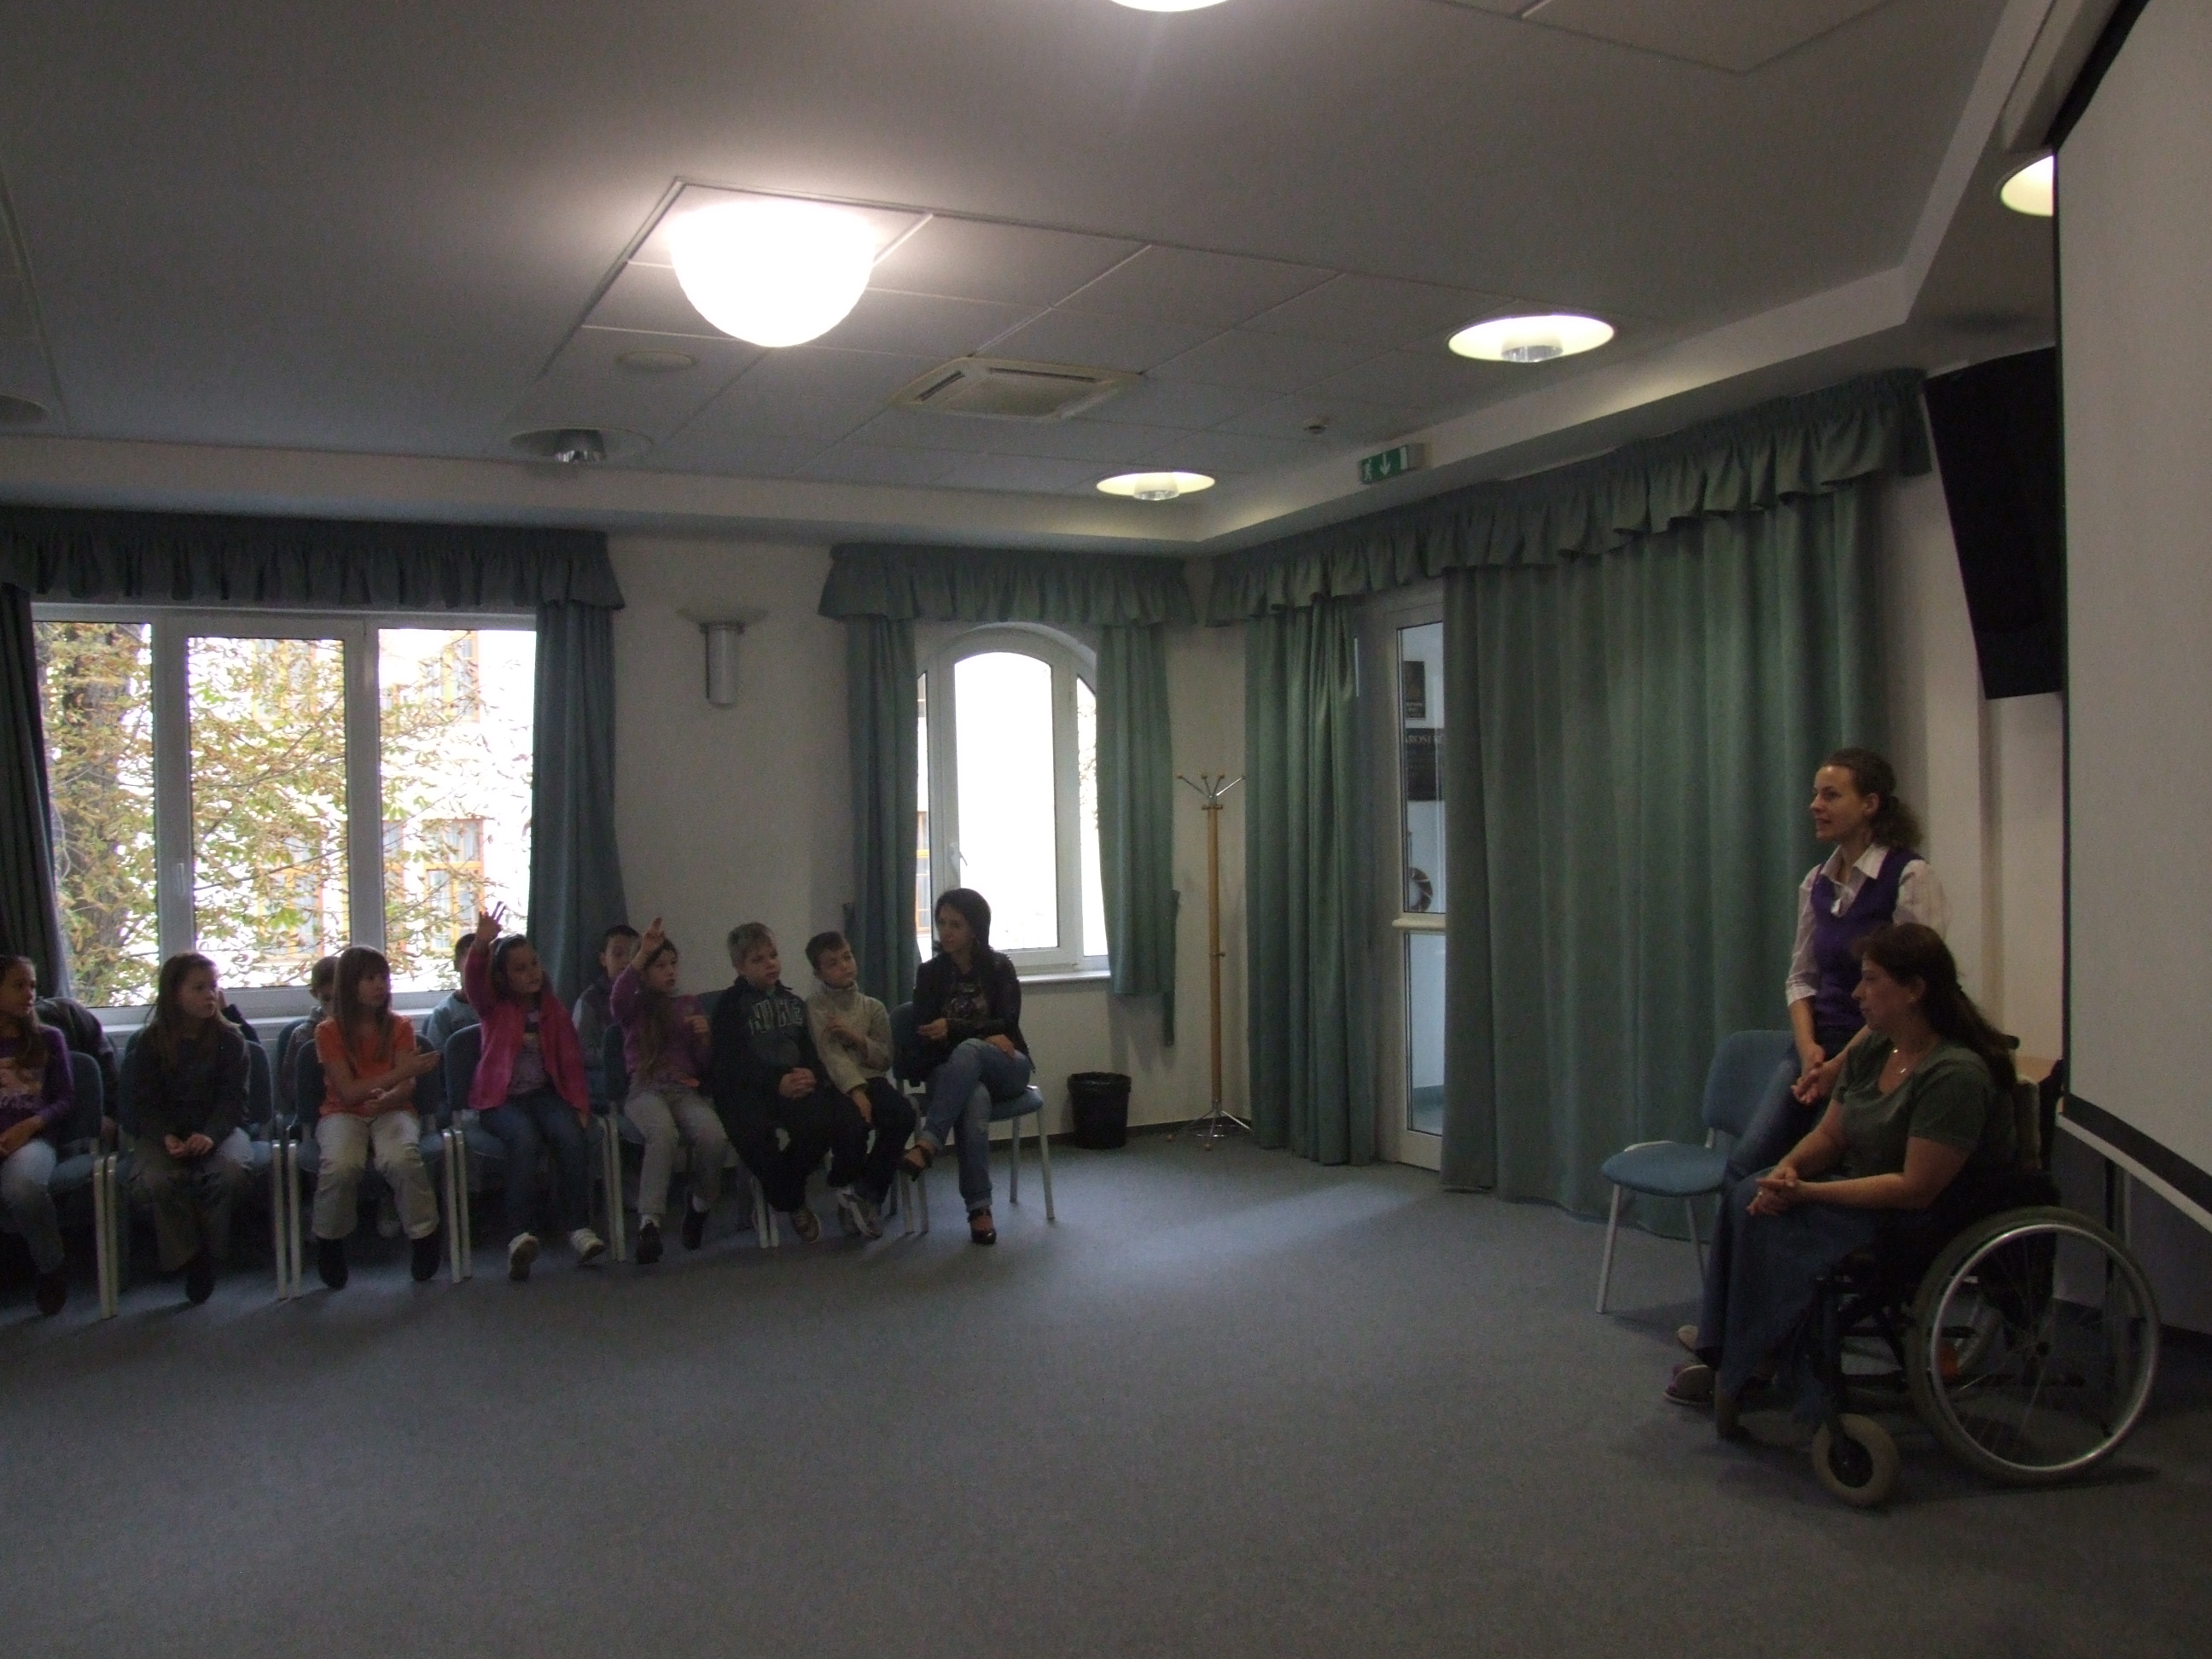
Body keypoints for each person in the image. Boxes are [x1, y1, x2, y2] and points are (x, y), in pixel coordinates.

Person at [1669, 923, 2017, 1423]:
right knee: (1748, 1194)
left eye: (1871, 980)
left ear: (1915, 990)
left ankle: (1776, 1374)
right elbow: (1832, 1136)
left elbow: (1916, 1189)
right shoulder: (1877, 1048)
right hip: (1860, 1190)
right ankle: (1735, 1353)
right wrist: (1788, 1169)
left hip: (1918, 1217)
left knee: (1782, 1224)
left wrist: (1808, 1193)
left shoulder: (1954, 1074)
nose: (1856, 994)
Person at [1726, 748, 1951, 1185]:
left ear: (1870, 804)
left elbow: (1913, 991)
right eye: (1815, 794)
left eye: (1830, 795)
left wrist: (1842, 1063)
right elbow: (1801, 977)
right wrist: (1808, 1048)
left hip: (1876, 1049)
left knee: (1808, 1172)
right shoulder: (1816, 882)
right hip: (1817, 1046)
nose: (1815, 805)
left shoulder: (1909, 876)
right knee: (1746, 1164)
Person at [463, 905, 603, 1281]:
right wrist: (481, 945)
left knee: (570, 1134)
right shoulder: (493, 1007)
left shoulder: (552, 1009)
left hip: (542, 1095)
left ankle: (579, 1228)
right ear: (504, 977)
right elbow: (474, 981)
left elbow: (570, 1061)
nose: (531, 973)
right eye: (520, 969)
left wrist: (579, 1104)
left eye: (534, 964)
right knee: (523, 1138)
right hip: (500, 1100)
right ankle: (519, 1235)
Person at [899, 888, 1032, 1247]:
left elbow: (1007, 1023)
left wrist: (956, 1029)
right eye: (941, 923)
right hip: (950, 1071)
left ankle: (929, 1142)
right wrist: (983, 1033)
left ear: (975, 928)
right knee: (973, 1098)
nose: (946, 932)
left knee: (971, 1049)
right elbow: (927, 1031)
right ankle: (979, 1208)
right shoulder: (929, 974)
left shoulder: (999, 968)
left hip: (1007, 1066)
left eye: (955, 924)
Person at [310, 946, 445, 1289]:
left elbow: (407, 1085)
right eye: (369, 978)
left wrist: (391, 1095)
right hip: (343, 1113)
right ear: (349, 984)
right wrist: (400, 1074)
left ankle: (424, 1234)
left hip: (393, 1109)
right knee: (341, 1165)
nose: (380, 985)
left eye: (383, 977)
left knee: (401, 1158)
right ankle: (329, 1240)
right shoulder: (327, 1032)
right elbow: (348, 1092)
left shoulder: (400, 1026)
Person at [122, 953, 252, 1306]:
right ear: (174, 993)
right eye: (199, 988)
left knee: (231, 1172)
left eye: (213, 986)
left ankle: (211, 1249)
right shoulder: (150, 1043)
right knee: (157, 1180)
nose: (210, 995)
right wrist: (165, 1135)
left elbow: (233, 1102)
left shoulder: (231, 1040)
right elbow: (142, 1105)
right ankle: (192, 1257)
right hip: (164, 1134)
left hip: (218, 1129)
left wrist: (211, 1134)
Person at [610, 918, 728, 1264]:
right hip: (645, 1089)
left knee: (714, 1136)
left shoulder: (689, 1003)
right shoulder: (635, 1007)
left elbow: (703, 1064)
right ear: (645, 972)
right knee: (662, 1132)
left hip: (684, 1089)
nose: (670, 972)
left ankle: (700, 1204)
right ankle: (650, 1222)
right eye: (660, 966)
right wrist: (640, 956)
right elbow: (618, 998)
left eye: (673, 964)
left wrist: (704, 1038)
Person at [710, 923, 837, 1243]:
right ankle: (792, 1201)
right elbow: (732, 1063)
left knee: (821, 1123)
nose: (770, 964)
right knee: (754, 1135)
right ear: (739, 967)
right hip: (750, 1090)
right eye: (758, 960)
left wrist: (812, 1074)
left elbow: (810, 1050)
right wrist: (775, 1081)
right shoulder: (730, 1006)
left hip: (794, 1083)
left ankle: (779, 1188)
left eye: (773, 955)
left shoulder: (793, 1002)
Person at [804, 929, 917, 1240]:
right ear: (818, 973)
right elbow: (831, 1055)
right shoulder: (816, 1006)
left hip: (873, 1079)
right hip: (837, 1085)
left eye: (847, 957)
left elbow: (884, 1058)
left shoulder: (873, 1007)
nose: (844, 965)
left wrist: (856, 1038)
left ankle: (868, 1192)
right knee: (851, 1125)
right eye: (832, 963)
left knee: (902, 1115)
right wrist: (856, 1091)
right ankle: (843, 1183)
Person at [2, 955, 76, 1316]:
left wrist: (30, 1126)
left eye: (32, 985)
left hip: (33, 1139)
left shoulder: (48, 1038)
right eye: (18, 986)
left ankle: (51, 1268)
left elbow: (66, 1099)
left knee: (23, 1188)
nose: (29, 993)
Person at [573, 923, 640, 1099]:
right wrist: (620, 1057)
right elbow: (581, 1051)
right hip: (605, 1072)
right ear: (603, 959)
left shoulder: (646, 996)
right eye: (618, 954)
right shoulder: (589, 1001)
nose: (626, 961)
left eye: (633, 956)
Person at [419, 934, 480, 1050]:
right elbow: (438, 1057)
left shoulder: (502, 1007)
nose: (478, 970)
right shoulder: (444, 1013)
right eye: (471, 964)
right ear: (456, 965)